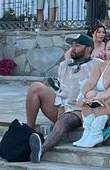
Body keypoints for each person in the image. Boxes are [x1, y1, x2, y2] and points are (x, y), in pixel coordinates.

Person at [25, 32, 96, 161]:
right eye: (72, 45)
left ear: (88, 49)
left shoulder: (98, 65)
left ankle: (41, 148)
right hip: (60, 106)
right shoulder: (64, 65)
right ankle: (29, 132)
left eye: (77, 46)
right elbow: (63, 88)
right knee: (35, 87)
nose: (73, 48)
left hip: (79, 110)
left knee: (63, 121)